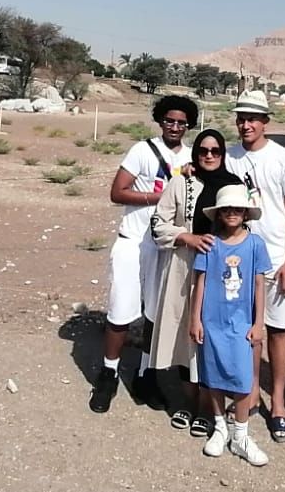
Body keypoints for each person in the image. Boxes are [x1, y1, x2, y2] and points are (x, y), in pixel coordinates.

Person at [90, 94, 196, 414]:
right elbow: (117, 191)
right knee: (121, 309)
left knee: (155, 314)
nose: (175, 126)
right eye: (169, 120)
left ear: (189, 124)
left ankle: (145, 374)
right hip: (134, 240)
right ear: (160, 120)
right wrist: (159, 195)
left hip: (166, 246)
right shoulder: (142, 150)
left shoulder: (193, 156)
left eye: (181, 122)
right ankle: (108, 373)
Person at [147, 127, 242, 436]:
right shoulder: (181, 182)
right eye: (203, 151)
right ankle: (189, 405)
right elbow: (158, 223)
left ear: (223, 154)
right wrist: (185, 236)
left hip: (222, 277)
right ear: (196, 154)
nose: (209, 156)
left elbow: (247, 228)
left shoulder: (234, 186)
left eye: (215, 151)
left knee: (213, 343)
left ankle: (208, 409)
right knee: (186, 340)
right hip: (184, 270)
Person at [224, 90, 285, 442]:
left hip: (275, 257)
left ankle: (280, 404)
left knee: (278, 327)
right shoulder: (229, 157)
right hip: (240, 257)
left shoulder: (284, 158)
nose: (246, 124)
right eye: (241, 117)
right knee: (247, 328)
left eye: (253, 118)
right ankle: (252, 390)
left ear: (265, 121)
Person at [189, 185, 272, 467]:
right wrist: (195, 318)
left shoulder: (255, 244)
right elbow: (200, 281)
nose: (232, 214)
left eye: (237, 209)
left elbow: (260, 284)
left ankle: (241, 434)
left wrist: (259, 322)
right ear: (219, 213)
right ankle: (220, 426)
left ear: (246, 212)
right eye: (227, 209)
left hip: (241, 322)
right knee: (212, 374)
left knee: (241, 377)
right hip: (212, 320)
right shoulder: (210, 243)